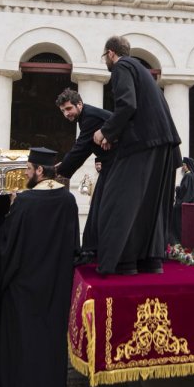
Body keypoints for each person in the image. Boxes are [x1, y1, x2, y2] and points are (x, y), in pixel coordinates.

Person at [0, 147, 79, 387]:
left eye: (29, 169)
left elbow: (8, 245)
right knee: (50, 346)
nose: (26, 174)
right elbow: (73, 244)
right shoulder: (67, 200)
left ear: (40, 171)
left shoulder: (26, 202)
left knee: (23, 344)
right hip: (56, 286)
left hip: (24, 288)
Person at [92, 36, 181, 275]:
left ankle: (122, 261)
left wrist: (105, 132)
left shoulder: (122, 67)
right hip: (164, 143)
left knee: (119, 198)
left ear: (110, 53)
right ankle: (150, 261)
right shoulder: (142, 70)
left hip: (144, 142)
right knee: (149, 205)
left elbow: (127, 105)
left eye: (105, 57)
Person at [54, 88, 113, 264]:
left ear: (79, 104)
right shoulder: (86, 117)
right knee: (97, 208)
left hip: (121, 165)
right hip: (111, 166)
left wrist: (60, 171)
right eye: (63, 111)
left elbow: (81, 148)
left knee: (103, 209)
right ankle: (92, 250)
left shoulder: (90, 117)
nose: (66, 114)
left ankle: (94, 252)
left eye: (69, 108)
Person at [170, 156, 194, 244]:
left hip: (184, 204)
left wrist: (178, 188)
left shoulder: (188, 176)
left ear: (188, 165)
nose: (183, 167)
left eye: (184, 165)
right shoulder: (192, 176)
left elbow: (185, 191)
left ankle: (177, 241)